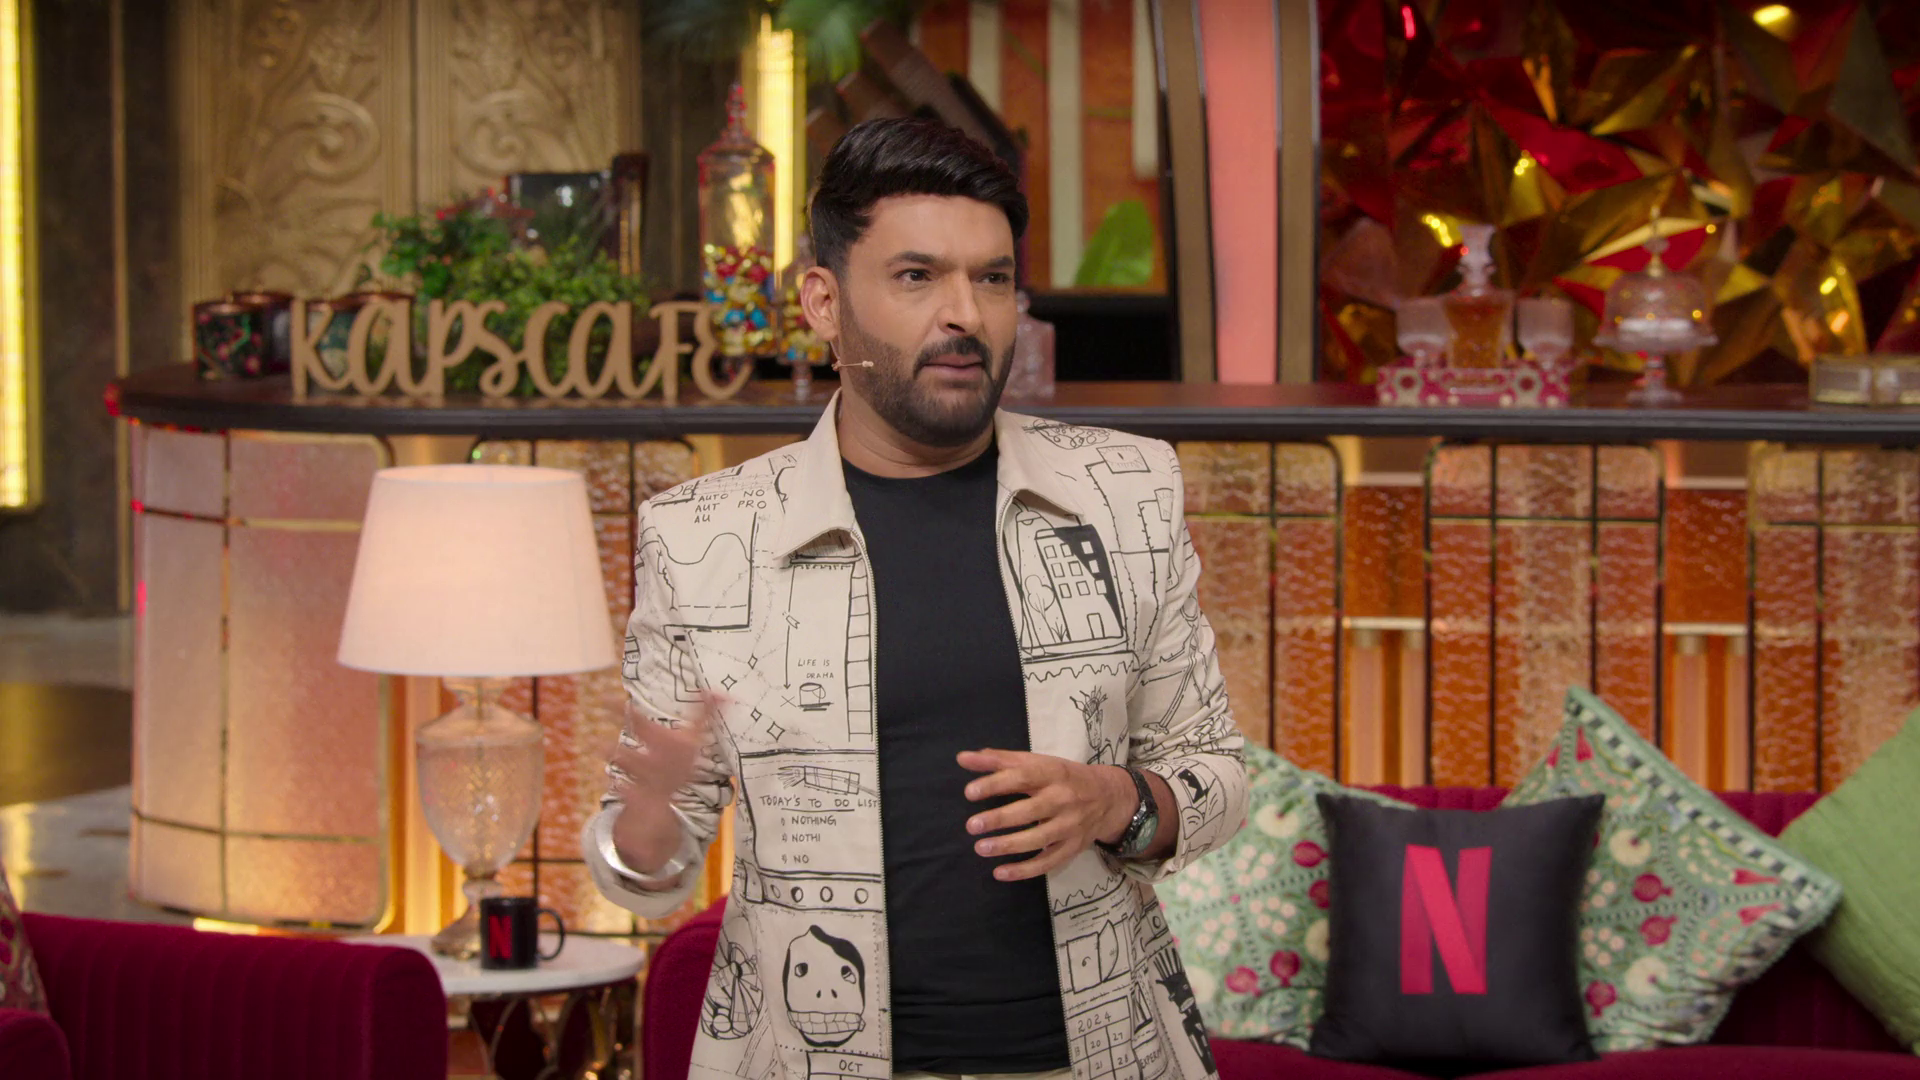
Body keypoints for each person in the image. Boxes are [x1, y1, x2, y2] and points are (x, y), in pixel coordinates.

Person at [586, 116, 1247, 1080]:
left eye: (992, 278)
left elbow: (1215, 773)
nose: (965, 314)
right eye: (916, 276)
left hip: (1106, 1056)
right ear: (823, 300)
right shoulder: (703, 537)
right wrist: (646, 832)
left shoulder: (1124, 494)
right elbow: (648, 858)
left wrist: (1117, 799)